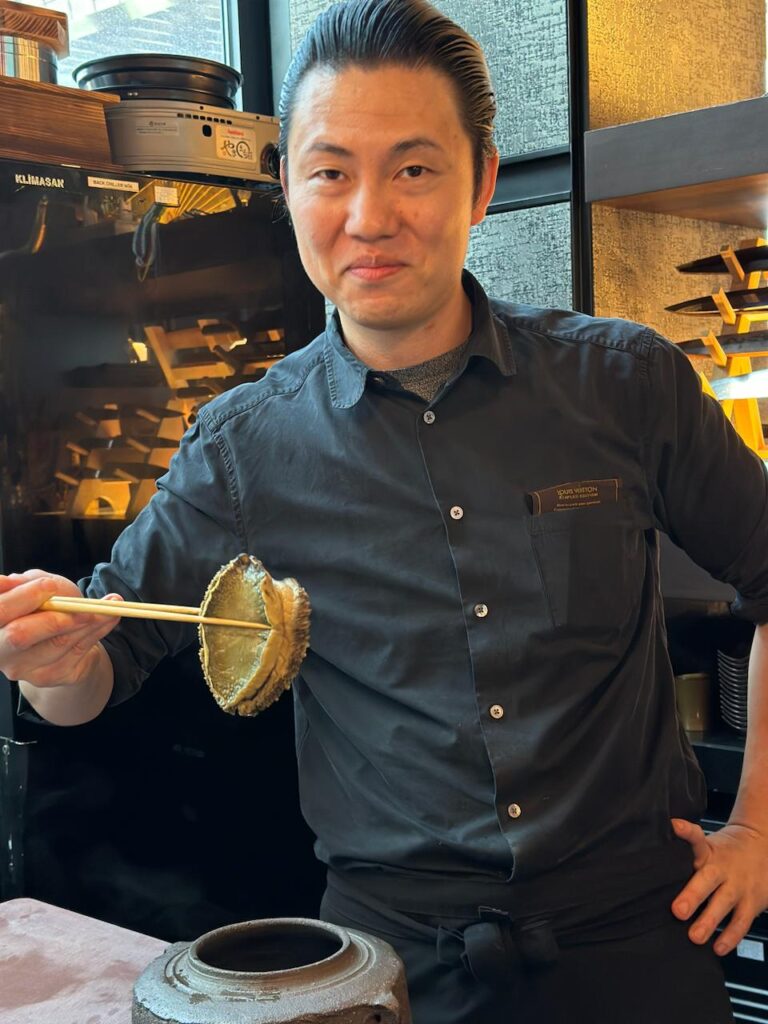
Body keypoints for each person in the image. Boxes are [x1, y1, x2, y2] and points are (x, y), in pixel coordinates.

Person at [1, 1, 767, 1020]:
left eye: (413, 168)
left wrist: (757, 831)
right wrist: (48, 660)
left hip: (634, 934)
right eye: (330, 170)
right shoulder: (241, 444)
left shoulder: (624, 379)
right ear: (289, 187)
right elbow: (99, 668)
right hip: (385, 964)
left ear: (481, 182)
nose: (369, 214)